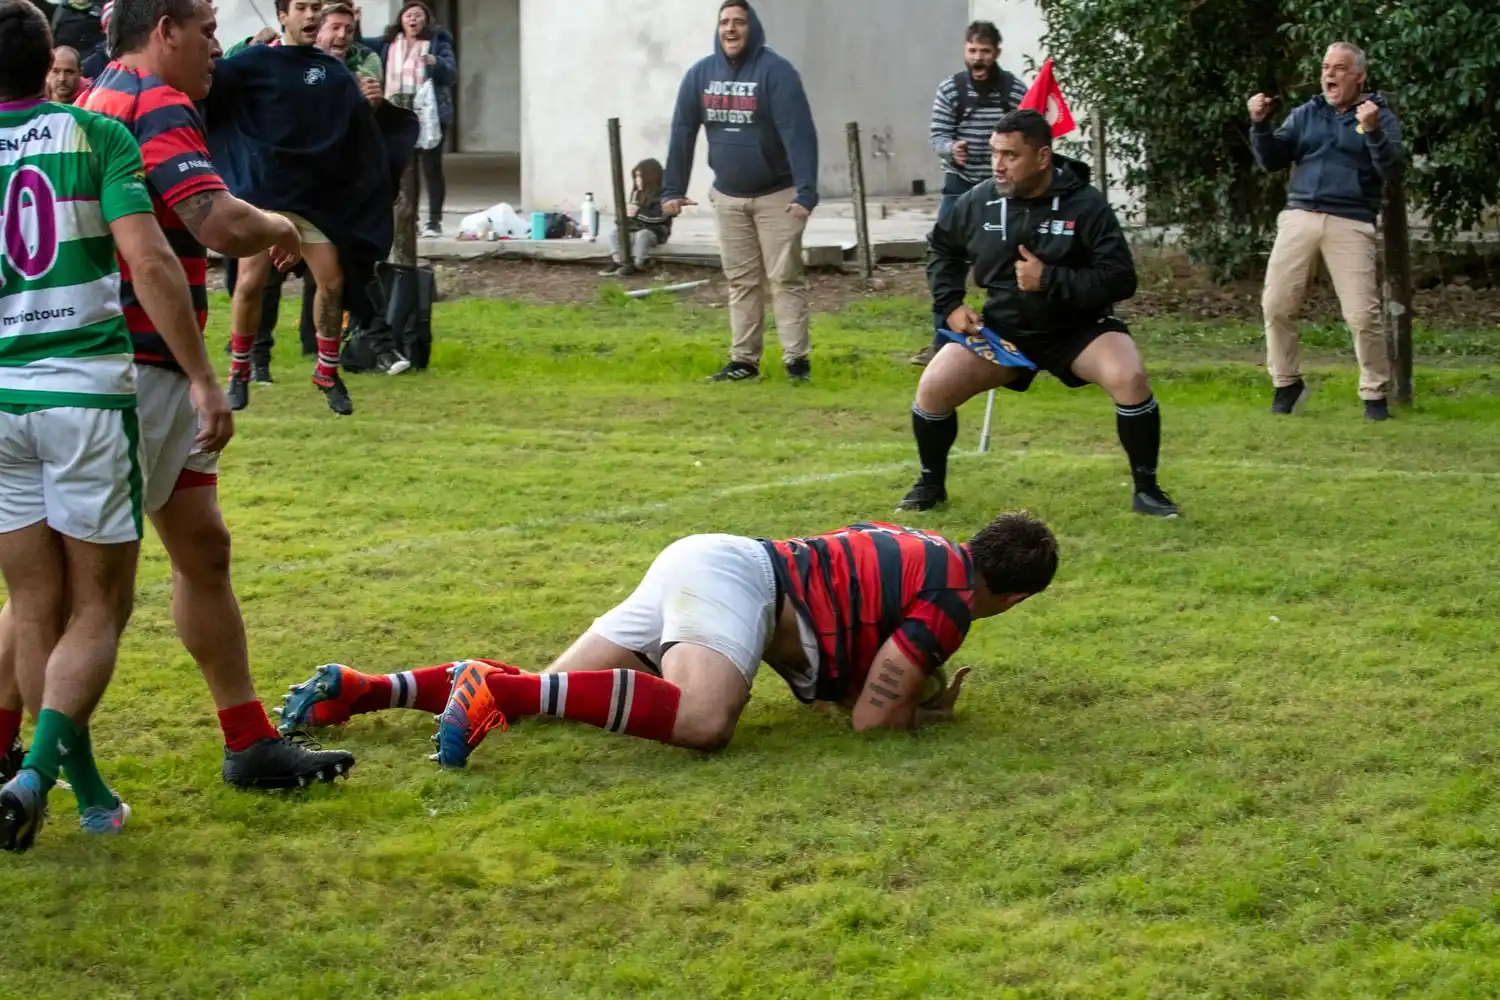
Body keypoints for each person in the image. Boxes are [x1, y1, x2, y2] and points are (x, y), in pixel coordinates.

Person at [66, 0, 359, 792]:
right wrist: (282, 228)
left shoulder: (97, 94)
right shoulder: (156, 102)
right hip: (139, 370)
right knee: (84, 592)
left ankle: (248, 740)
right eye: (205, 31)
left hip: (145, 366)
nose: (217, 48)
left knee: (203, 547)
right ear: (163, 31)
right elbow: (213, 221)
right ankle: (11, 753)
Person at [277, 513, 1059, 766]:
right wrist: (923, 712)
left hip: (711, 560)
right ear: (1017, 597)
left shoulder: (920, 545)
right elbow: (869, 720)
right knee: (704, 721)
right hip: (741, 582)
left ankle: (365, 690)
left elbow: (843, 654)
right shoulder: (954, 598)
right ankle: (495, 688)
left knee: (552, 696)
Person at [0, 0, 231, 849]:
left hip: (2, 398)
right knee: (98, 606)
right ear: (52, 61)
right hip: (87, 396)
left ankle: (85, 790)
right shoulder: (96, 137)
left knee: (35, 605)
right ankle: (35, 776)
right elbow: (150, 258)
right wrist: (203, 378)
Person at [900, 110, 1180, 519]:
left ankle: (1148, 491)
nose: (998, 165)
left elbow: (1121, 279)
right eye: (994, 153)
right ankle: (930, 484)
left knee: (1130, 377)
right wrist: (950, 305)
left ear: (1043, 156)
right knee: (933, 387)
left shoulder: (1086, 204)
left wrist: (1049, 279)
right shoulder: (978, 200)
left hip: (1079, 330)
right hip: (1004, 331)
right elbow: (941, 249)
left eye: (1010, 155)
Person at [216, 0, 363, 416]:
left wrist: (372, 108)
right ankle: (240, 370)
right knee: (250, 283)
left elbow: (354, 130)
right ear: (282, 15)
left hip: (313, 199)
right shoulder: (254, 61)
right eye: (301, 7)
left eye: (316, 7)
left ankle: (327, 371)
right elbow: (212, 82)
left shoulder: (333, 71)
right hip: (266, 195)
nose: (311, 15)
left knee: (331, 282)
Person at [660, 0, 819, 384]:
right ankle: (744, 362)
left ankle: (797, 363)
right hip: (728, 197)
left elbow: (798, 132)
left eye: (739, 22)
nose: (730, 29)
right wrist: (672, 189)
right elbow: (682, 130)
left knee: (785, 278)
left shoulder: (777, 73)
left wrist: (806, 192)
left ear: (753, 28)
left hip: (778, 197)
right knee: (741, 281)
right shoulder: (700, 75)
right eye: (724, 22)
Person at [1249, 42, 1404, 421]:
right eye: (1325, 67)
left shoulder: (1377, 116)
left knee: (1362, 315)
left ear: (1359, 76)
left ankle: (1374, 394)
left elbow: (1392, 170)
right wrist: (1260, 124)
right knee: (1276, 305)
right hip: (1300, 215)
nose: (1329, 74)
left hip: (1350, 220)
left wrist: (1373, 132)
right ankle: (1287, 383)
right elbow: (1272, 160)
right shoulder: (1306, 114)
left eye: (1339, 68)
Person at [913, 19, 1029, 368]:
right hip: (961, 186)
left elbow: (1028, 131)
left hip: (1006, 189)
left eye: (985, 52)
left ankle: (1020, 338)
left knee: (1016, 258)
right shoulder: (951, 89)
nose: (978, 58)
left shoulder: (1013, 90)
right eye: (973, 51)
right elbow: (937, 135)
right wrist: (951, 149)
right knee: (946, 259)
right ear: (965, 50)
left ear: (997, 53)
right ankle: (941, 340)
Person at [376, 0, 454, 238]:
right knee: (405, 170)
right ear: (401, 19)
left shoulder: (437, 42)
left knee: (431, 168)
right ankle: (411, 220)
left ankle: (434, 221)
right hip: (398, 113)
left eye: (418, 15)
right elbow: (358, 45)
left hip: (430, 114)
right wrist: (355, 23)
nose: (413, 19)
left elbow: (451, 74)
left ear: (425, 20)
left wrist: (437, 63)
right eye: (409, 15)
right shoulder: (389, 44)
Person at [599, 158, 672, 277]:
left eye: (640, 177)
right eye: (635, 177)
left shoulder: (663, 195)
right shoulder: (636, 194)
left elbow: (660, 217)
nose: (637, 180)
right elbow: (630, 217)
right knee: (615, 234)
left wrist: (638, 213)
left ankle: (640, 263)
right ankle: (620, 261)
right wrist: (623, 218)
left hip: (655, 232)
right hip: (635, 229)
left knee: (642, 235)